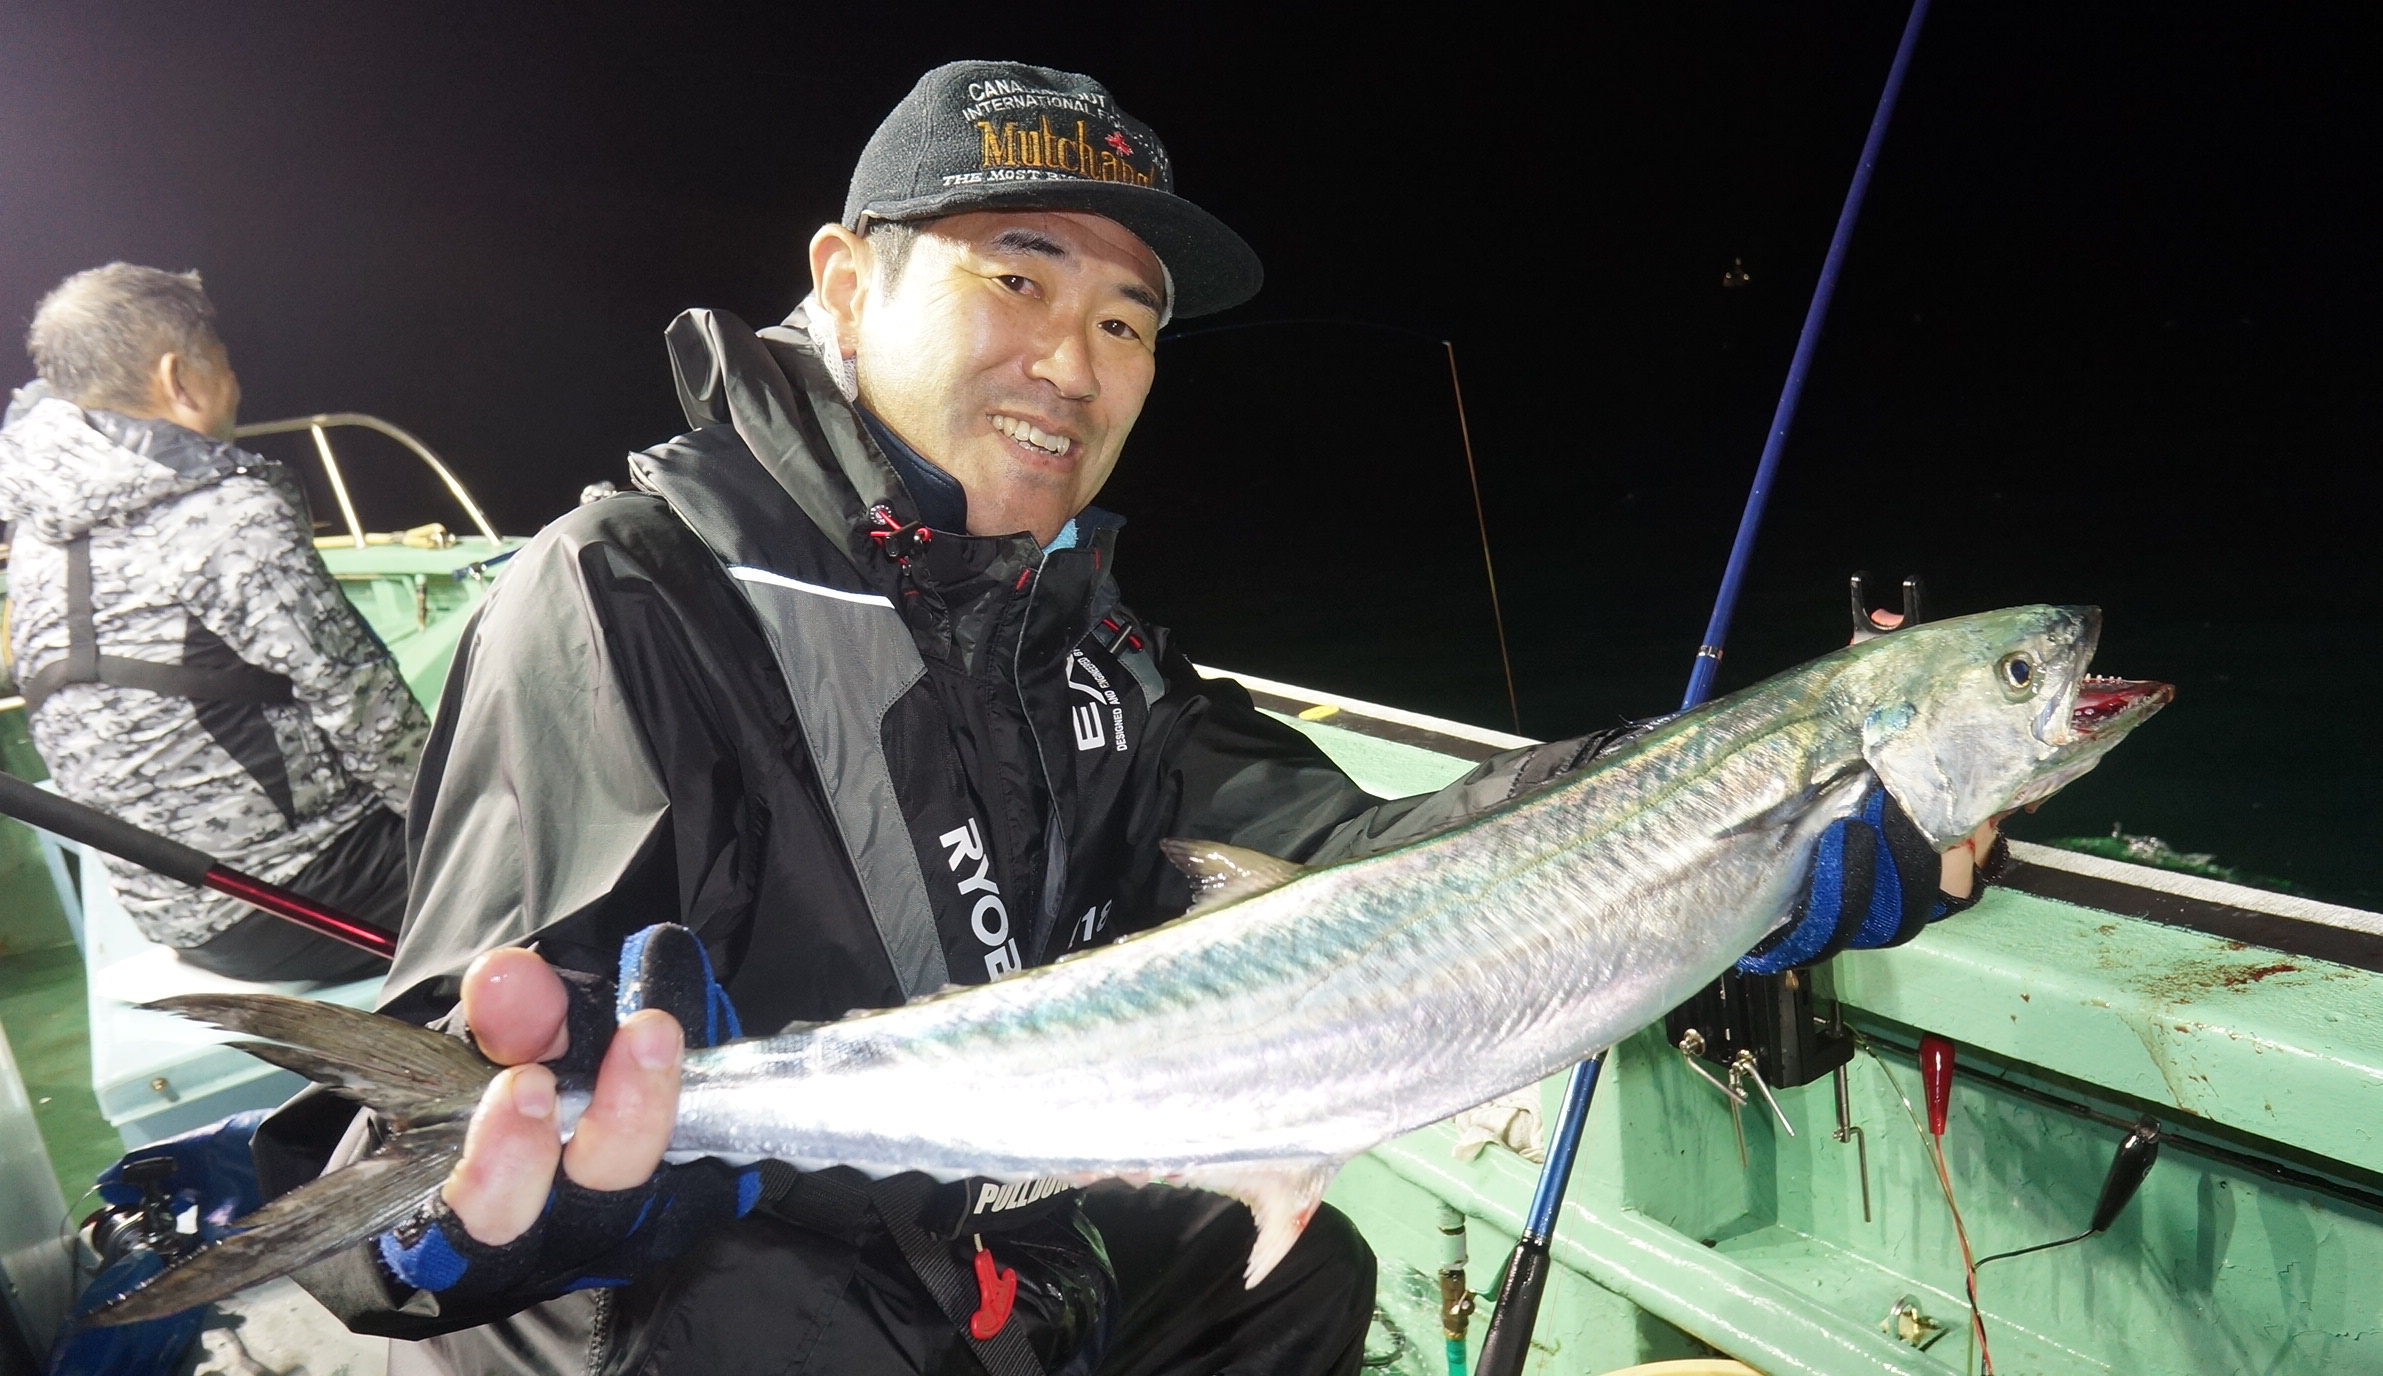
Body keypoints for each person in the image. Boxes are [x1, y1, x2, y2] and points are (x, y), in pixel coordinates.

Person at [256, 62, 2000, 1376]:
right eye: (1016, 282)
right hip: (707, 1306)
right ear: (846, 285)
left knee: (1294, 1282)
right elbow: (445, 1135)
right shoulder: (631, 594)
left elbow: (1369, 855)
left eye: (1123, 321)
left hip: (973, 1237)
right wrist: (507, 1201)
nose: (1075, 367)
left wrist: (1731, 836)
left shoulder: (1087, 641)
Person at [0, 264, 425, 983]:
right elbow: (370, 715)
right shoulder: (226, 516)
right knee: (566, 843)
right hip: (305, 897)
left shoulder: (36, 537)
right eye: (223, 362)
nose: (234, 385)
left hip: (177, 913)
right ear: (180, 379)